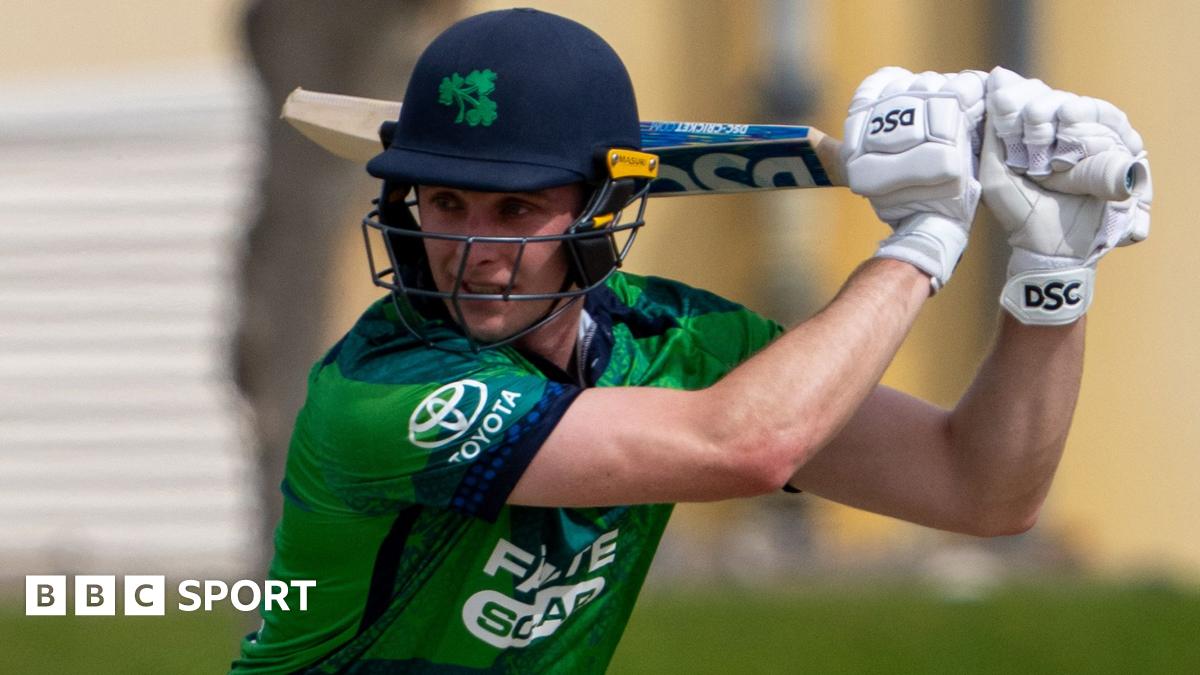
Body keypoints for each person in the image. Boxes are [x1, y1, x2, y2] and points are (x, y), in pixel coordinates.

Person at [231, 8, 1152, 674]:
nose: (474, 249)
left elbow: (979, 488)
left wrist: (1051, 275)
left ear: (605, 210)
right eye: (445, 203)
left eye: (516, 208)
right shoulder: (383, 391)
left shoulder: (675, 337)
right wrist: (926, 237)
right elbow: (747, 443)